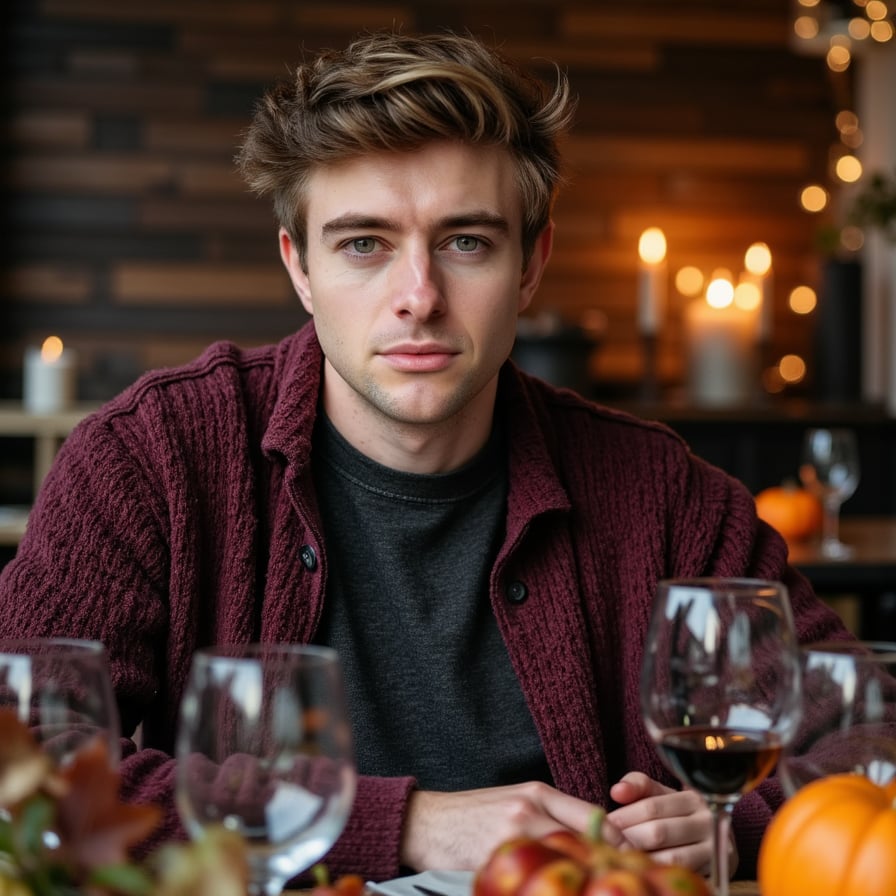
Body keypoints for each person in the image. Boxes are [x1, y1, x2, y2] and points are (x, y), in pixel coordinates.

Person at [0, 30, 853, 884]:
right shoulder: (150, 458)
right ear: (300, 266)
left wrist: (732, 824)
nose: (419, 297)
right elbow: (21, 756)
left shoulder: (664, 495)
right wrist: (401, 823)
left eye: (466, 242)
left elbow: (865, 738)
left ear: (532, 264)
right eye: (363, 244)